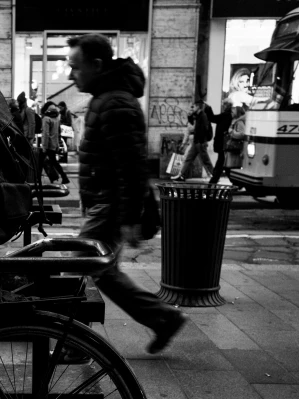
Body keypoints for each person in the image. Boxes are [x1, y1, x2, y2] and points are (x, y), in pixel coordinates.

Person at [67, 33, 186, 356]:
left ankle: (75, 343)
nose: (70, 75)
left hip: (111, 205)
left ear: (96, 64)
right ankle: (164, 318)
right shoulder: (106, 98)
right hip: (104, 202)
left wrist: (129, 218)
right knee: (103, 273)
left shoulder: (116, 102)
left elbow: (131, 167)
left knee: (81, 266)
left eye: (75, 67)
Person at [172, 99, 215, 182]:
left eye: (194, 106)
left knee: (206, 161)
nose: (193, 108)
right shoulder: (198, 115)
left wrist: (201, 141)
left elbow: (203, 129)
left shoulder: (203, 116)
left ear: (198, 107)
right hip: (196, 142)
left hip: (200, 143)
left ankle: (214, 177)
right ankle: (181, 175)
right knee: (188, 158)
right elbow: (192, 122)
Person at [40, 101, 69, 185]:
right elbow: (57, 132)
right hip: (54, 144)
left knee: (43, 162)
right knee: (52, 162)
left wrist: (44, 147)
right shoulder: (56, 118)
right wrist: (57, 144)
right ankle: (60, 177)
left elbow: (45, 134)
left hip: (48, 145)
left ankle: (62, 177)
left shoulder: (46, 119)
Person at [208, 99, 233, 184]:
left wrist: (208, 108)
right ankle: (235, 182)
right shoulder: (228, 116)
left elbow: (212, 118)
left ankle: (214, 180)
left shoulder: (225, 115)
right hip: (224, 144)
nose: (223, 106)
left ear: (228, 106)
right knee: (224, 163)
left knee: (221, 163)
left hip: (223, 144)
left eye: (224, 105)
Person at [224, 106, 247, 170]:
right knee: (229, 168)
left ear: (238, 112)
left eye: (234, 110)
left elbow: (242, 134)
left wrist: (232, 132)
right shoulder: (235, 121)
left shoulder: (239, 122)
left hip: (235, 148)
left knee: (232, 168)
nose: (232, 111)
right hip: (232, 148)